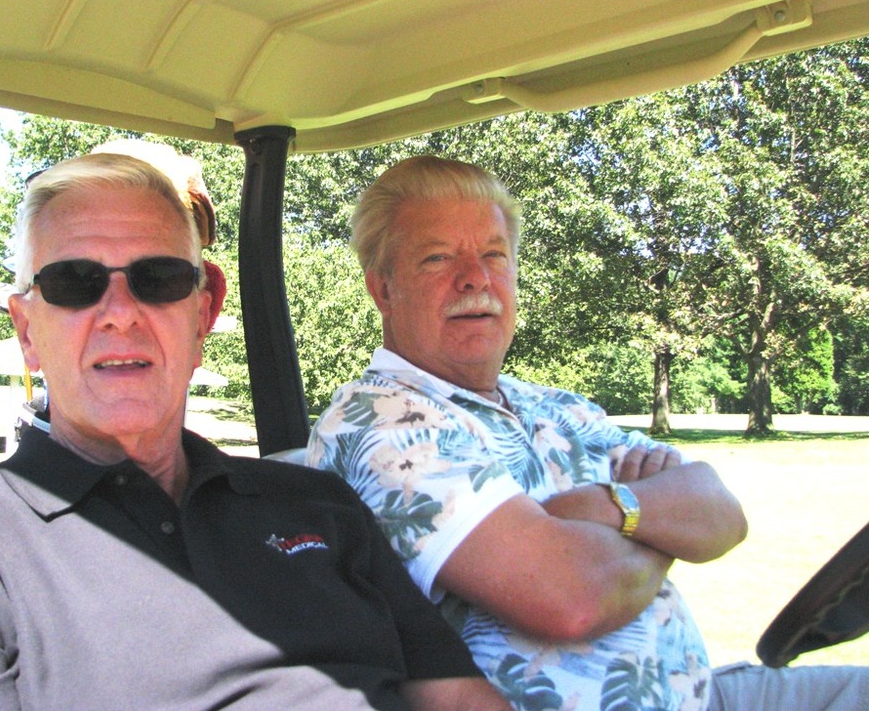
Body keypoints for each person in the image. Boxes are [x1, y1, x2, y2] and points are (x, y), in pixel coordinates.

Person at [0, 152, 511, 711]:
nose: (120, 314)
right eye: (74, 283)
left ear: (202, 316)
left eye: (158, 280)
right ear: (27, 331)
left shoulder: (318, 503)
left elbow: (459, 698)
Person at [307, 155, 869, 711]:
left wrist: (603, 507)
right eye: (437, 258)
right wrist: (658, 525)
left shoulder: (557, 405)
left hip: (701, 693)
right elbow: (572, 598)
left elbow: (721, 513)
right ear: (384, 289)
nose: (475, 277)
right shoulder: (379, 422)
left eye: (494, 255)